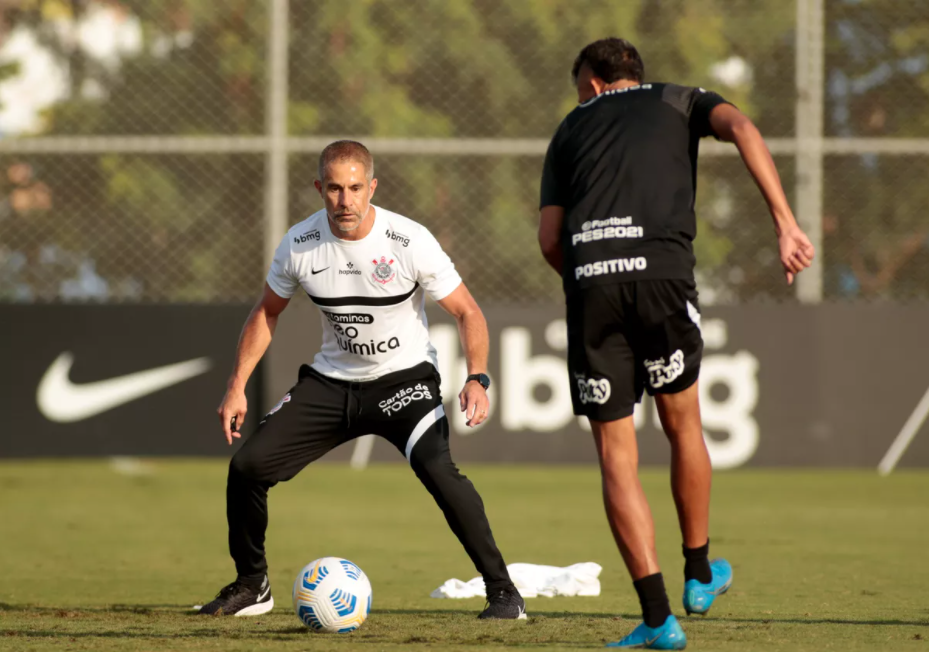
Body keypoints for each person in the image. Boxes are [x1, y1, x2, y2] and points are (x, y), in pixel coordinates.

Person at [537, 39, 814, 649]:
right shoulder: (680, 100)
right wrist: (785, 222)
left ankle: (659, 619)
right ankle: (698, 572)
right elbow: (741, 126)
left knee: (616, 452)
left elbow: (550, 237)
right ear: (636, 73)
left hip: (592, 285)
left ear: (591, 82)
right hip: (662, 278)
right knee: (683, 424)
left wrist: (590, 282)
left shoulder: (569, 128)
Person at [199, 140, 526, 620]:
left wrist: (478, 377)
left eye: (355, 188)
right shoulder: (299, 244)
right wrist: (236, 385)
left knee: (440, 472)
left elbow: (467, 312)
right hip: (331, 385)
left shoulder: (409, 240)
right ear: (319, 188)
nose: (344, 200)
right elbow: (266, 313)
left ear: (372, 187)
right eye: (333, 188)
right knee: (247, 467)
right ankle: (253, 585)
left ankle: (503, 594)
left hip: (404, 383)